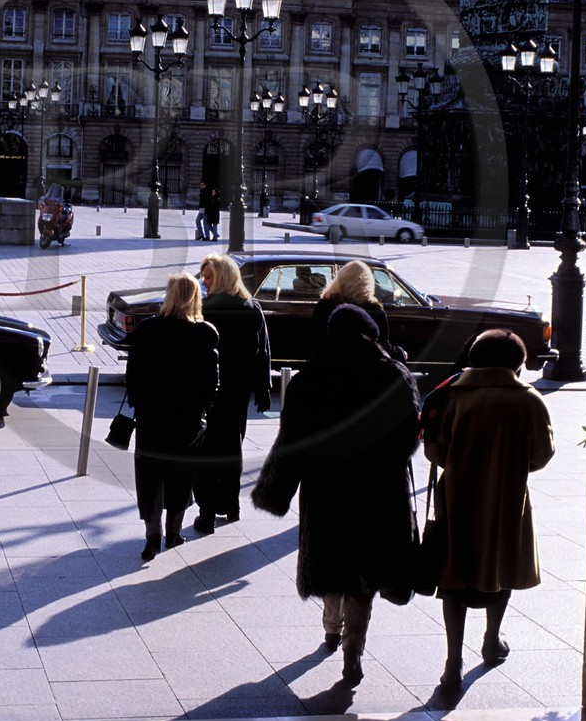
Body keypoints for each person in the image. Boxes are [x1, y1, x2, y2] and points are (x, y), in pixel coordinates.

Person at [251, 304, 421, 686]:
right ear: (371, 334)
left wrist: (276, 489)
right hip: (378, 487)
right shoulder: (393, 374)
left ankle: (331, 627)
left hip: (326, 486)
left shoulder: (310, 378)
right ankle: (353, 647)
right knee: (365, 575)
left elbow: (292, 440)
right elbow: (410, 435)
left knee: (331, 560)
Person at [424, 328, 555, 694]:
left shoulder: (453, 395)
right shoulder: (527, 399)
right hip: (506, 497)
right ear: (518, 362)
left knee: (452, 573)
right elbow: (541, 455)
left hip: (456, 495)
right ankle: (491, 640)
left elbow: (435, 451)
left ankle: (452, 662)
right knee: (502, 565)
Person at [125, 272, 220, 560]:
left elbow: (133, 373)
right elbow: (211, 381)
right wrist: (203, 408)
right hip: (187, 418)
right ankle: (174, 533)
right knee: (181, 475)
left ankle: (151, 536)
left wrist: (140, 404)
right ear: (195, 298)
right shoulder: (205, 333)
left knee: (149, 475)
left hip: (152, 417)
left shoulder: (147, 329)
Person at [191, 253, 272, 533]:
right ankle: (231, 506)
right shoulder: (251, 307)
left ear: (222, 277)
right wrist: (263, 388)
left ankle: (208, 513)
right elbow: (263, 352)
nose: (205, 282)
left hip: (212, 390)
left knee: (209, 452)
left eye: (209, 277)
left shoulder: (208, 309)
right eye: (203, 277)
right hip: (237, 391)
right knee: (232, 447)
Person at [307, 259, 404, 359]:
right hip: (362, 370)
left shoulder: (324, 306)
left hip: (328, 367)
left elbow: (315, 340)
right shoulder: (374, 310)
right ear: (367, 283)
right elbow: (383, 347)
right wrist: (401, 353)